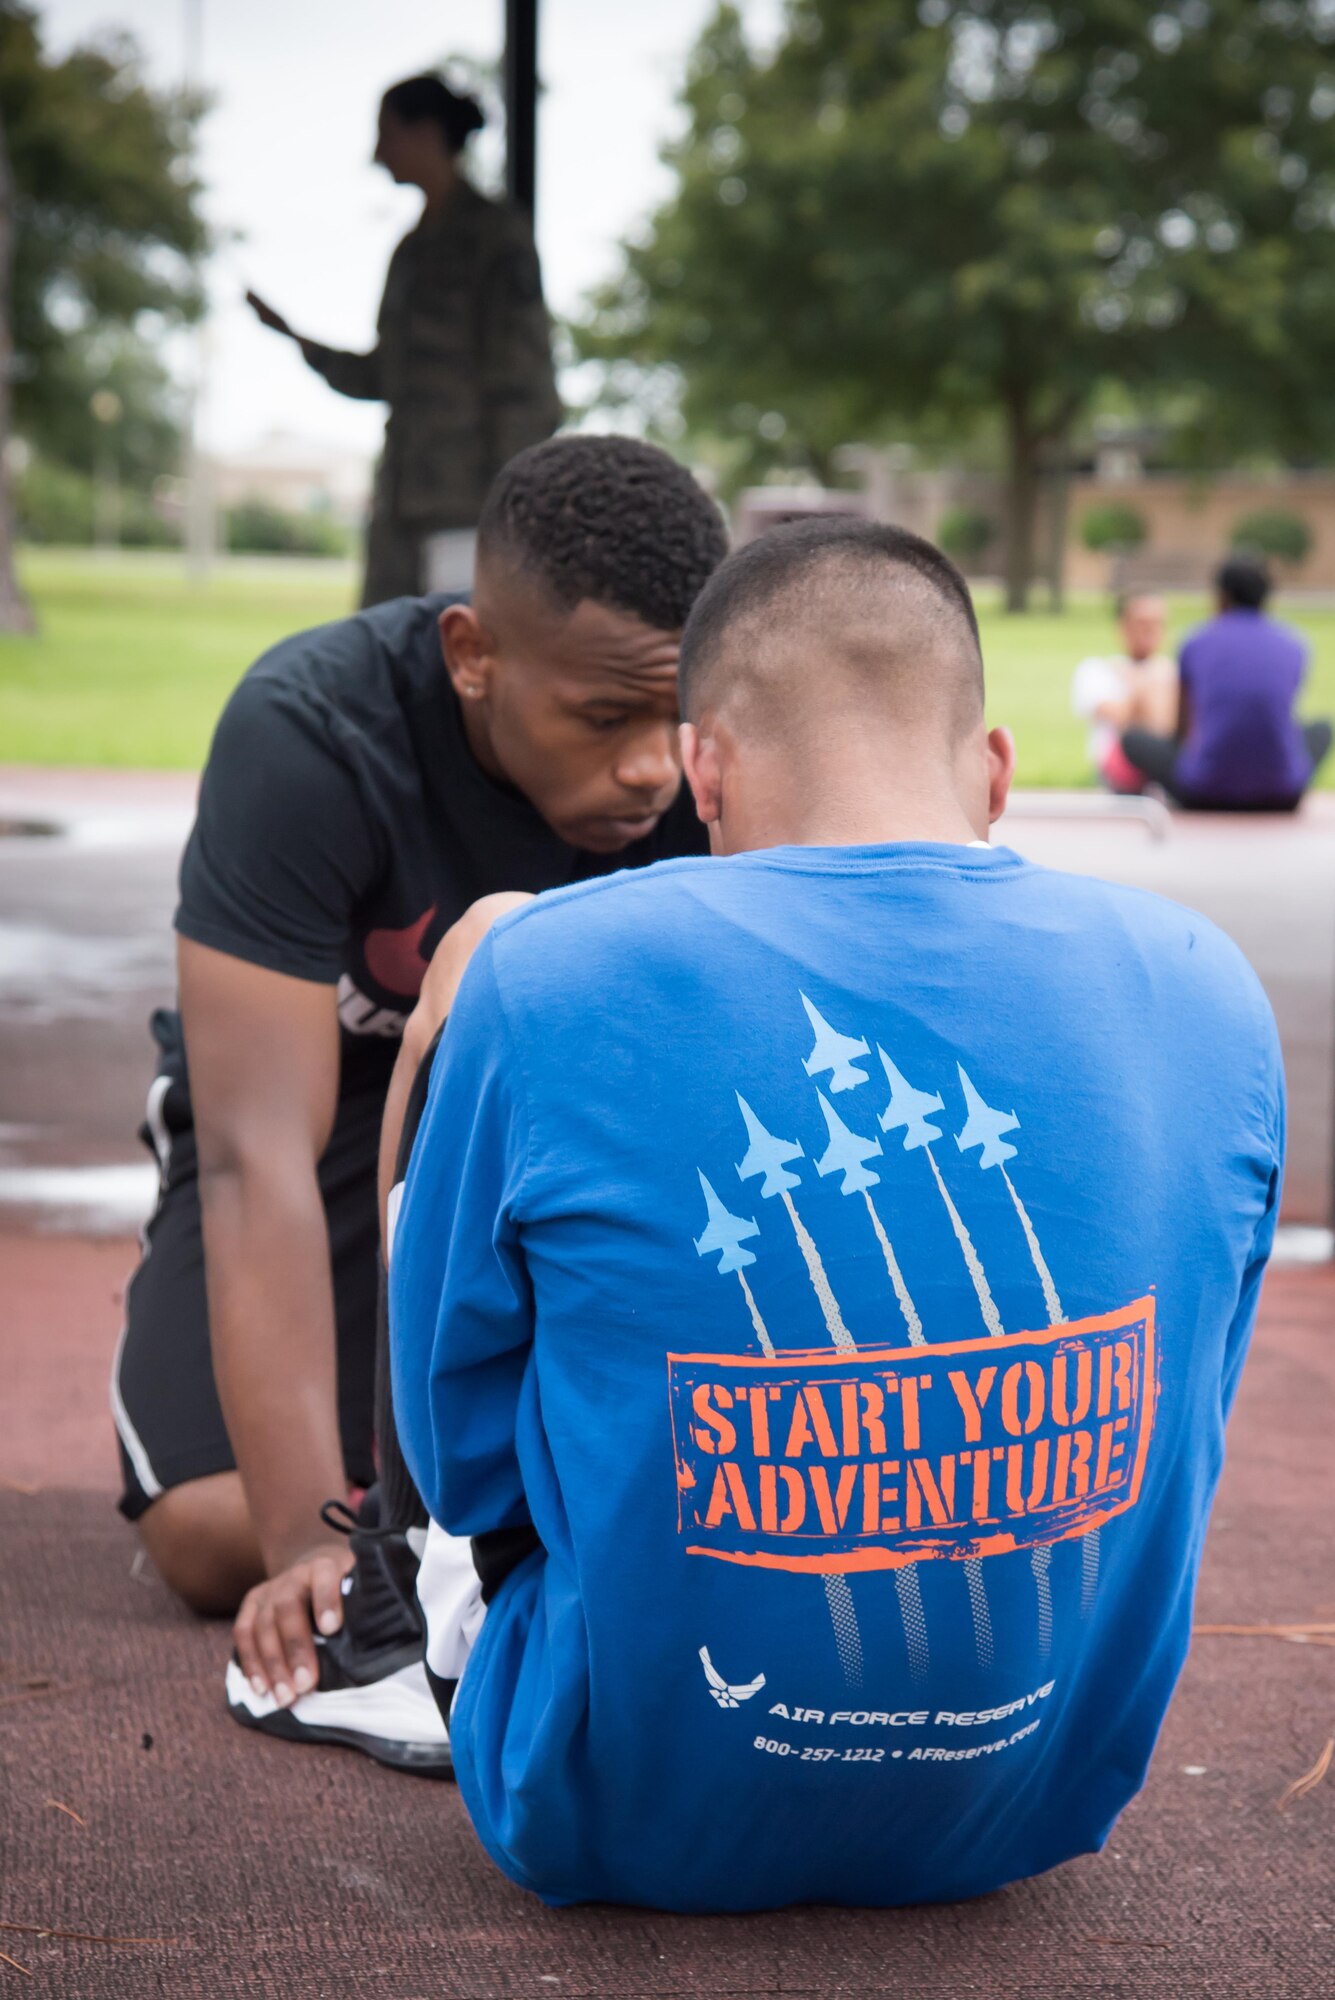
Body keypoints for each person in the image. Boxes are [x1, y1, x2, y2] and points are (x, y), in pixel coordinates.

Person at [389, 518, 1282, 1910]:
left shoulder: (549, 977)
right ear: (991, 770)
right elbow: (1193, 1398)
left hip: (594, 1811)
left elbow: (456, 1449)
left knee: (481, 946)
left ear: (703, 768)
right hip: (1024, 1807)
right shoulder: (1208, 984)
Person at [111, 437, 729, 1772]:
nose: (651, 773)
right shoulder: (311, 731)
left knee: (648, 1503)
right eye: (602, 718)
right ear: (470, 652)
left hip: (577, 1133)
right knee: (212, 1534)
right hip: (322, 1121)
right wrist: (307, 1557)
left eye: (671, 721)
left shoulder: (716, 759)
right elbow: (250, 1152)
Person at [247, 74, 561, 607]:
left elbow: (527, 386)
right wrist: (297, 341)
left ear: (427, 132)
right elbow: (386, 376)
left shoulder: (494, 238)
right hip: (402, 509)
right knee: (387, 661)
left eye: (387, 134)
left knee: (466, 663)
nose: (377, 153)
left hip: (470, 511)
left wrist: (504, 509)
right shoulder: (411, 251)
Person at [1121, 556, 1331, 809]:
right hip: (1281, 793)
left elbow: (1184, 728)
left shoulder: (1195, 642)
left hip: (1204, 792)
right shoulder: (1295, 645)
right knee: (1322, 729)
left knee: (1133, 739)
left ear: (1221, 596)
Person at [1070, 594, 1177, 793]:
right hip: (1115, 776)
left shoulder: (1173, 671)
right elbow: (1120, 718)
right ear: (1123, 627)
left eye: (1156, 624)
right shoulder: (1097, 670)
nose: (1149, 631)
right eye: (1141, 623)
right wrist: (1147, 683)